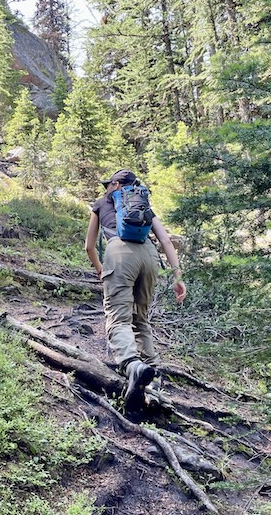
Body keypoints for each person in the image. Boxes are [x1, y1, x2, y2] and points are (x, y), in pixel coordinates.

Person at [84, 169, 187, 413]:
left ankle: (132, 365)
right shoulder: (144, 206)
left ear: (116, 184)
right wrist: (177, 276)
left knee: (118, 318)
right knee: (140, 319)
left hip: (119, 252)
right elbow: (166, 241)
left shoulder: (102, 204)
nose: (106, 188)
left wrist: (100, 269)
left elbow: (89, 246)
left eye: (108, 184)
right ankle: (153, 379)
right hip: (149, 255)